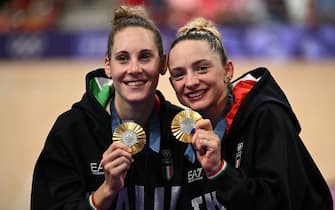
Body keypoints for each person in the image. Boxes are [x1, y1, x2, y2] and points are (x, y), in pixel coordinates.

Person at [31, 5, 189, 210]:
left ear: (163, 63)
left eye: (145, 57)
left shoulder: (184, 130)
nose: (134, 69)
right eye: (123, 58)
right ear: (108, 65)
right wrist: (105, 192)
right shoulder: (72, 130)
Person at [167, 17, 333, 210]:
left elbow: (277, 202)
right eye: (179, 74)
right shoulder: (185, 136)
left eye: (202, 68)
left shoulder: (266, 115)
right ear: (172, 84)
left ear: (228, 71)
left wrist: (219, 171)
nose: (190, 82)